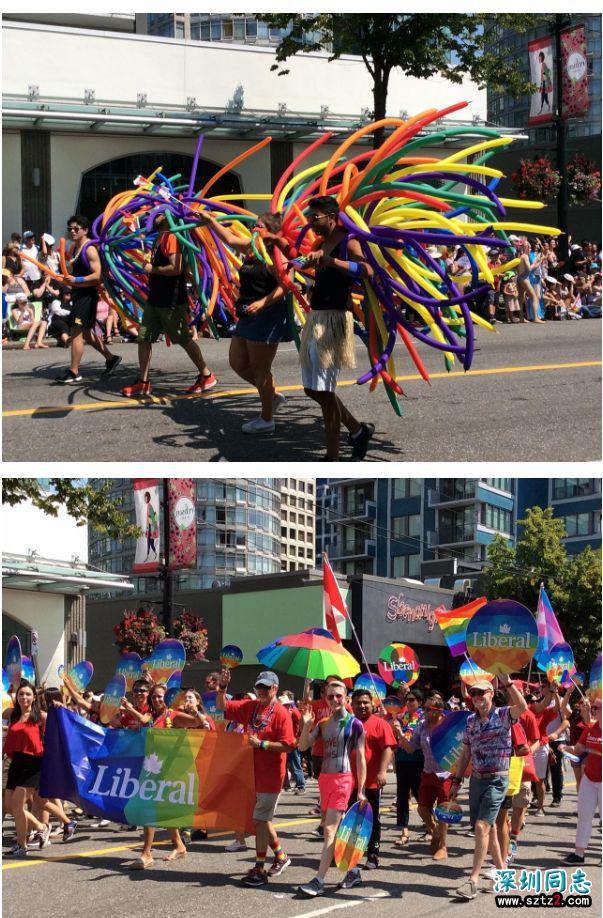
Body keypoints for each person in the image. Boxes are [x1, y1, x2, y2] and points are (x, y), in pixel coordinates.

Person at [197, 210, 292, 433]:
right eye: (253, 227)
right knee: (237, 363)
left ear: (270, 231)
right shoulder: (252, 248)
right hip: (246, 313)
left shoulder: (276, 254)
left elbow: (286, 284)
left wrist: (263, 302)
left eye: (258, 226)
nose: (253, 230)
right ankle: (272, 396)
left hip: (266, 316)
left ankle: (267, 419)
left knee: (261, 369)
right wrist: (210, 222)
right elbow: (229, 239)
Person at [300, 195, 375, 461]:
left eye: (315, 218)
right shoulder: (322, 243)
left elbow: (366, 270)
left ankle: (332, 457)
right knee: (312, 389)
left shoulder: (348, 239)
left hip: (333, 319)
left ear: (332, 216)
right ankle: (357, 430)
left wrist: (332, 262)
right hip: (317, 317)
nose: (311, 223)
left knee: (325, 390)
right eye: (310, 218)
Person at [121, 209, 216, 398]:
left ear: (168, 216)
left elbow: (176, 268)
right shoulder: (159, 237)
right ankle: (144, 382)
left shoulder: (171, 236)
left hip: (170, 300)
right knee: (144, 338)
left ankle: (206, 375)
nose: (153, 217)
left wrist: (152, 268)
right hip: (155, 298)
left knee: (183, 339)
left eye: (158, 213)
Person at [450, 676, 527, 900]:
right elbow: (465, 753)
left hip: (497, 779)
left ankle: (473, 879)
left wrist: (507, 682)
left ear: (491, 694)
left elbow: (521, 706)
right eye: (473, 694)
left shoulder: (503, 714)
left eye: (481, 693)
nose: (476, 698)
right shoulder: (471, 722)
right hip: (476, 779)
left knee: (482, 827)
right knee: (490, 829)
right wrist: (456, 781)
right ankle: (504, 876)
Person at [217, 669, 295, 887]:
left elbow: (289, 745)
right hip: (251, 773)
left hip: (271, 775)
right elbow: (223, 706)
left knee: (260, 819)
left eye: (266, 687)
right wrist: (222, 688)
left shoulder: (281, 713)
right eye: (258, 687)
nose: (261, 691)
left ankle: (259, 867)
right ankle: (280, 856)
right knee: (263, 820)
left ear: (275, 689)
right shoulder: (251, 707)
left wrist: (263, 744)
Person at [129, 682, 212, 869]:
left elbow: (197, 722)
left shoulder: (173, 716)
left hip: (169, 770)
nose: (157, 699)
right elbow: (144, 725)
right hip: (152, 768)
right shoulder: (151, 716)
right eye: (154, 697)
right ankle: (180, 845)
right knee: (158, 808)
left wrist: (194, 709)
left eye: (160, 696)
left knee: (149, 807)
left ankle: (146, 853)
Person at [297, 679, 366, 898]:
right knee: (333, 830)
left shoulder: (355, 724)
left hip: (343, 780)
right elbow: (303, 746)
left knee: (329, 831)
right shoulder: (323, 723)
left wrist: (361, 788)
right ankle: (353, 871)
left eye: (339, 695)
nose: (335, 699)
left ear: (346, 697)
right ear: (325, 698)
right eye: (330, 696)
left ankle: (319, 880)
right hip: (324, 779)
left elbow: (361, 758)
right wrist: (306, 723)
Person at [339, 688, 396, 888]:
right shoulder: (346, 723)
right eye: (358, 703)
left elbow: (388, 748)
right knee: (349, 819)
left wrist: (382, 772)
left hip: (371, 782)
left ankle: (373, 853)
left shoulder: (380, 724)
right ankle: (349, 853)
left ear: (372, 704)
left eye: (366, 702)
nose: (362, 706)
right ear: (351, 705)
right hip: (347, 781)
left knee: (371, 820)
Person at [61, 215, 122, 383]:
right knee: (87, 333)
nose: (72, 232)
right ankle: (111, 359)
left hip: (87, 296)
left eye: (76, 229)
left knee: (76, 330)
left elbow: (97, 275)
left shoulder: (89, 249)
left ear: (85, 230)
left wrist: (77, 280)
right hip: (77, 294)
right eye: (70, 229)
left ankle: (74, 371)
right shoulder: (74, 248)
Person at [395, 691, 451, 860]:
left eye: (428, 709)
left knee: (443, 812)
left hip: (445, 774)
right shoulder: (422, 726)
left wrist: (458, 775)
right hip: (428, 772)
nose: (425, 712)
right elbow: (411, 747)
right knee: (421, 808)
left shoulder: (447, 726)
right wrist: (399, 733)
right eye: (425, 709)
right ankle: (434, 831)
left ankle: (443, 846)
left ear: (439, 711)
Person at [560, 696, 601, 864]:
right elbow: (578, 749)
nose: (592, 710)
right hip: (589, 778)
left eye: (596, 708)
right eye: (592, 707)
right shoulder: (590, 728)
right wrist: (565, 748)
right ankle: (579, 854)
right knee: (584, 815)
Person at [391, 688, 424, 846]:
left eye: (412, 700)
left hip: (419, 761)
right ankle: (404, 832)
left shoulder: (423, 719)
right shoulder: (400, 717)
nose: (409, 702)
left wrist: (400, 733)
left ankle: (430, 828)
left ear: (420, 703)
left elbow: (417, 742)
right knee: (402, 797)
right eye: (407, 699)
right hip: (402, 761)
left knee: (421, 797)